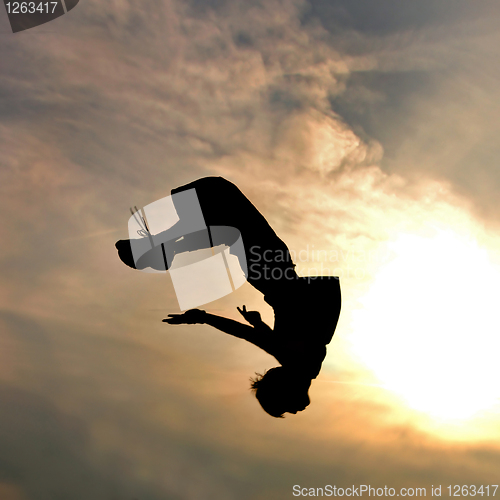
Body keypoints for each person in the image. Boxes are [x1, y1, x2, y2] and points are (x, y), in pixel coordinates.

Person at [116, 176, 341, 417]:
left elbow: (264, 336)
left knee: (226, 222)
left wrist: (256, 323)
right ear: (283, 386)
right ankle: (164, 247)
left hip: (272, 271)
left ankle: (164, 247)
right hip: (272, 273)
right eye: (270, 378)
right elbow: (251, 335)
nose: (268, 371)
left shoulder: (297, 361)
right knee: (224, 213)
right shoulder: (299, 363)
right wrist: (205, 318)